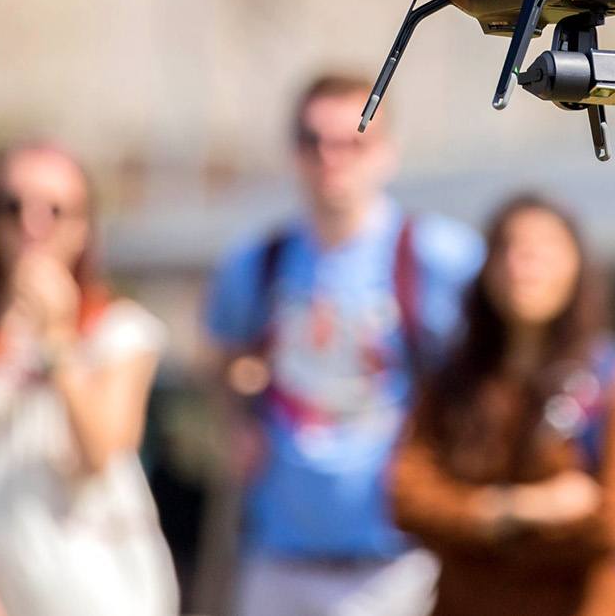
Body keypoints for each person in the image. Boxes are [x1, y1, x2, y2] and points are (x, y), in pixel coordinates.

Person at [205, 73, 484, 616]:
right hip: (276, 556)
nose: (331, 157)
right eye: (314, 141)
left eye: (354, 140)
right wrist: (237, 418)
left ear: (388, 153)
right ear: (293, 152)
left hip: (392, 562)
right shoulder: (256, 263)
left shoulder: (440, 257)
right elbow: (220, 357)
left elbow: (493, 371)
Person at [0, 141, 176, 616]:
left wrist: (57, 339)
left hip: (84, 581)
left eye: (54, 210)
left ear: (84, 227)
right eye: (12, 206)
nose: (31, 224)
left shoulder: (119, 333)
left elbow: (100, 454)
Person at [388, 194, 615, 616]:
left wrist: (469, 522)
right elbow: (409, 499)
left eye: (544, 250)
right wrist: (519, 509)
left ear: (577, 266)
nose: (525, 265)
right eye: (510, 248)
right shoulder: (454, 382)